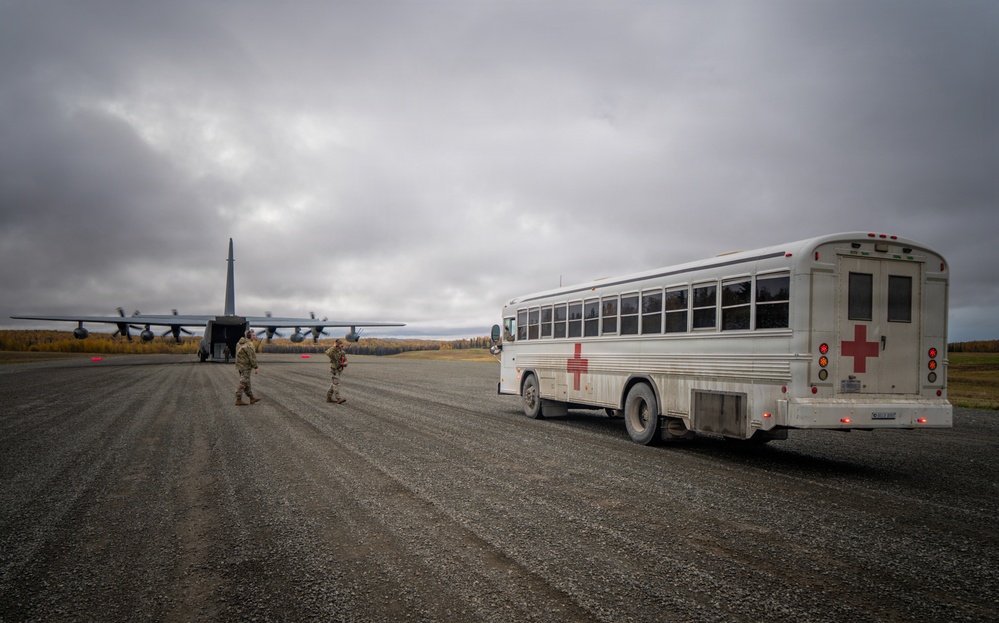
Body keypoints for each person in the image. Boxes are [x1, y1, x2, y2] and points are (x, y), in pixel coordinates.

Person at [234, 329, 261, 406]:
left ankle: (251, 398)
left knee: (247, 383)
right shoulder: (249, 344)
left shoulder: (239, 343)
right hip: (246, 366)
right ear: (249, 336)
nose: (254, 336)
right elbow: (252, 357)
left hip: (240, 366)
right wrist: (256, 367)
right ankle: (238, 399)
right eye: (253, 335)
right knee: (243, 382)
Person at [325, 338, 348, 404]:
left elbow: (346, 361)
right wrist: (333, 347)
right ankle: (338, 398)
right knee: (336, 384)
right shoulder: (332, 351)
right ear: (337, 345)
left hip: (339, 370)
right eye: (340, 344)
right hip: (334, 370)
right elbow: (327, 353)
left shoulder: (342, 352)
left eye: (341, 344)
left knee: (333, 384)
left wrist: (344, 364)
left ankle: (329, 398)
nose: (341, 345)